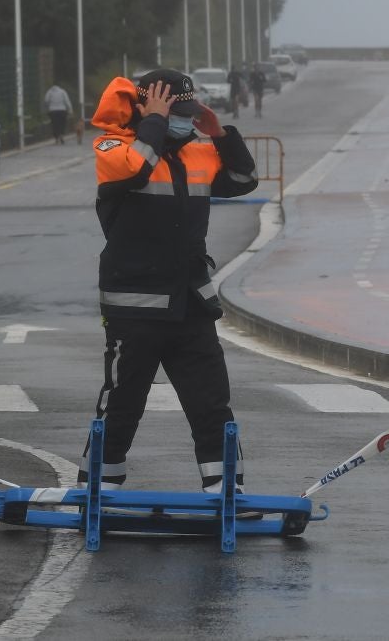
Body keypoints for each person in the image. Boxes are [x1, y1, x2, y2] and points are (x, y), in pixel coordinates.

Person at [82, 68, 259, 494]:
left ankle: (223, 489)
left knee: (211, 403)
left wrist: (219, 133)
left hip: (190, 302)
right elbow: (135, 170)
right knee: (123, 403)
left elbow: (242, 180)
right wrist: (154, 122)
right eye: (174, 111)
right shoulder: (113, 147)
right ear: (146, 108)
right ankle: (100, 488)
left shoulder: (197, 152)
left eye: (188, 111)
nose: (184, 119)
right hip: (134, 304)